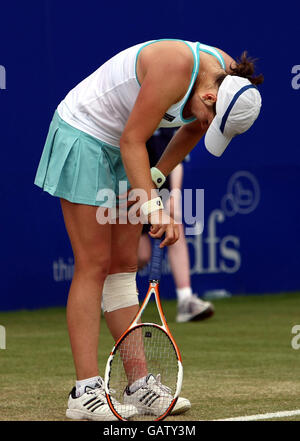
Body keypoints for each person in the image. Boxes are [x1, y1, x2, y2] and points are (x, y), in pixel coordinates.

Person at [34, 39, 263, 420]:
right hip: (87, 134)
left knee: (123, 265)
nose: (207, 127)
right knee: (93, 262)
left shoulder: (224, 75)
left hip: (125, 147)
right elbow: (132, 140)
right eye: (211, 119)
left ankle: (139, 386)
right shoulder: (175, 67)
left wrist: (155, 177)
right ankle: (85, 391)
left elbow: (189, 130)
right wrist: (154, 208)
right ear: (209, 97)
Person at [138, 128, 215, 323]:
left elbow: (177, 159)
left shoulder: (172, 116)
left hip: (162, 183)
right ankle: (108, 292)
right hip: (133, 183)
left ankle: (185, 300)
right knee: (141, 255)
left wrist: (175, 194)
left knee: (176, 230)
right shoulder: (137, 110)